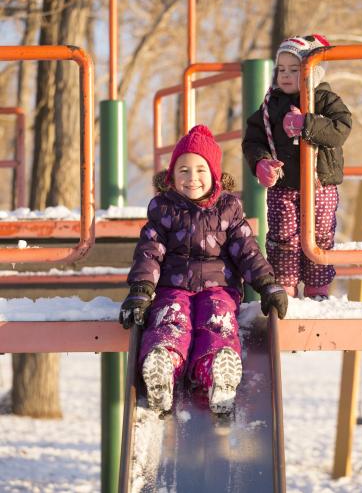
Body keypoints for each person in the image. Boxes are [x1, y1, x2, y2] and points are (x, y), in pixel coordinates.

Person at [119, 124, 287, 414]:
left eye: (200, 170)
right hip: (173, 286)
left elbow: (247, 251)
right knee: (170, 317)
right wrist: (141, 290)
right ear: (171, 176)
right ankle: (163, 368)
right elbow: (150, 251)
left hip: (218, 287)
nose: (192, 178)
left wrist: (266, 283)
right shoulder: (163, 209)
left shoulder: (229, 209)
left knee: (218, 319)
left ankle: (217, 372)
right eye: (183, 170)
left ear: (215, 175)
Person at [242, 34, 352, 301]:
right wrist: (261, 162)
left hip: (320, 185)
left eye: (295, 69)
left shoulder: (325, 99)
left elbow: (342, 128)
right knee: (283, 237)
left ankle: (317, 290)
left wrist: (308, 124)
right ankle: (286, 289)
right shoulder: (271, 104)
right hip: (284, 187)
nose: (286, 75)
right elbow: (254, 138)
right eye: (281, 69)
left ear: (313, 72)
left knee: (320, 236)